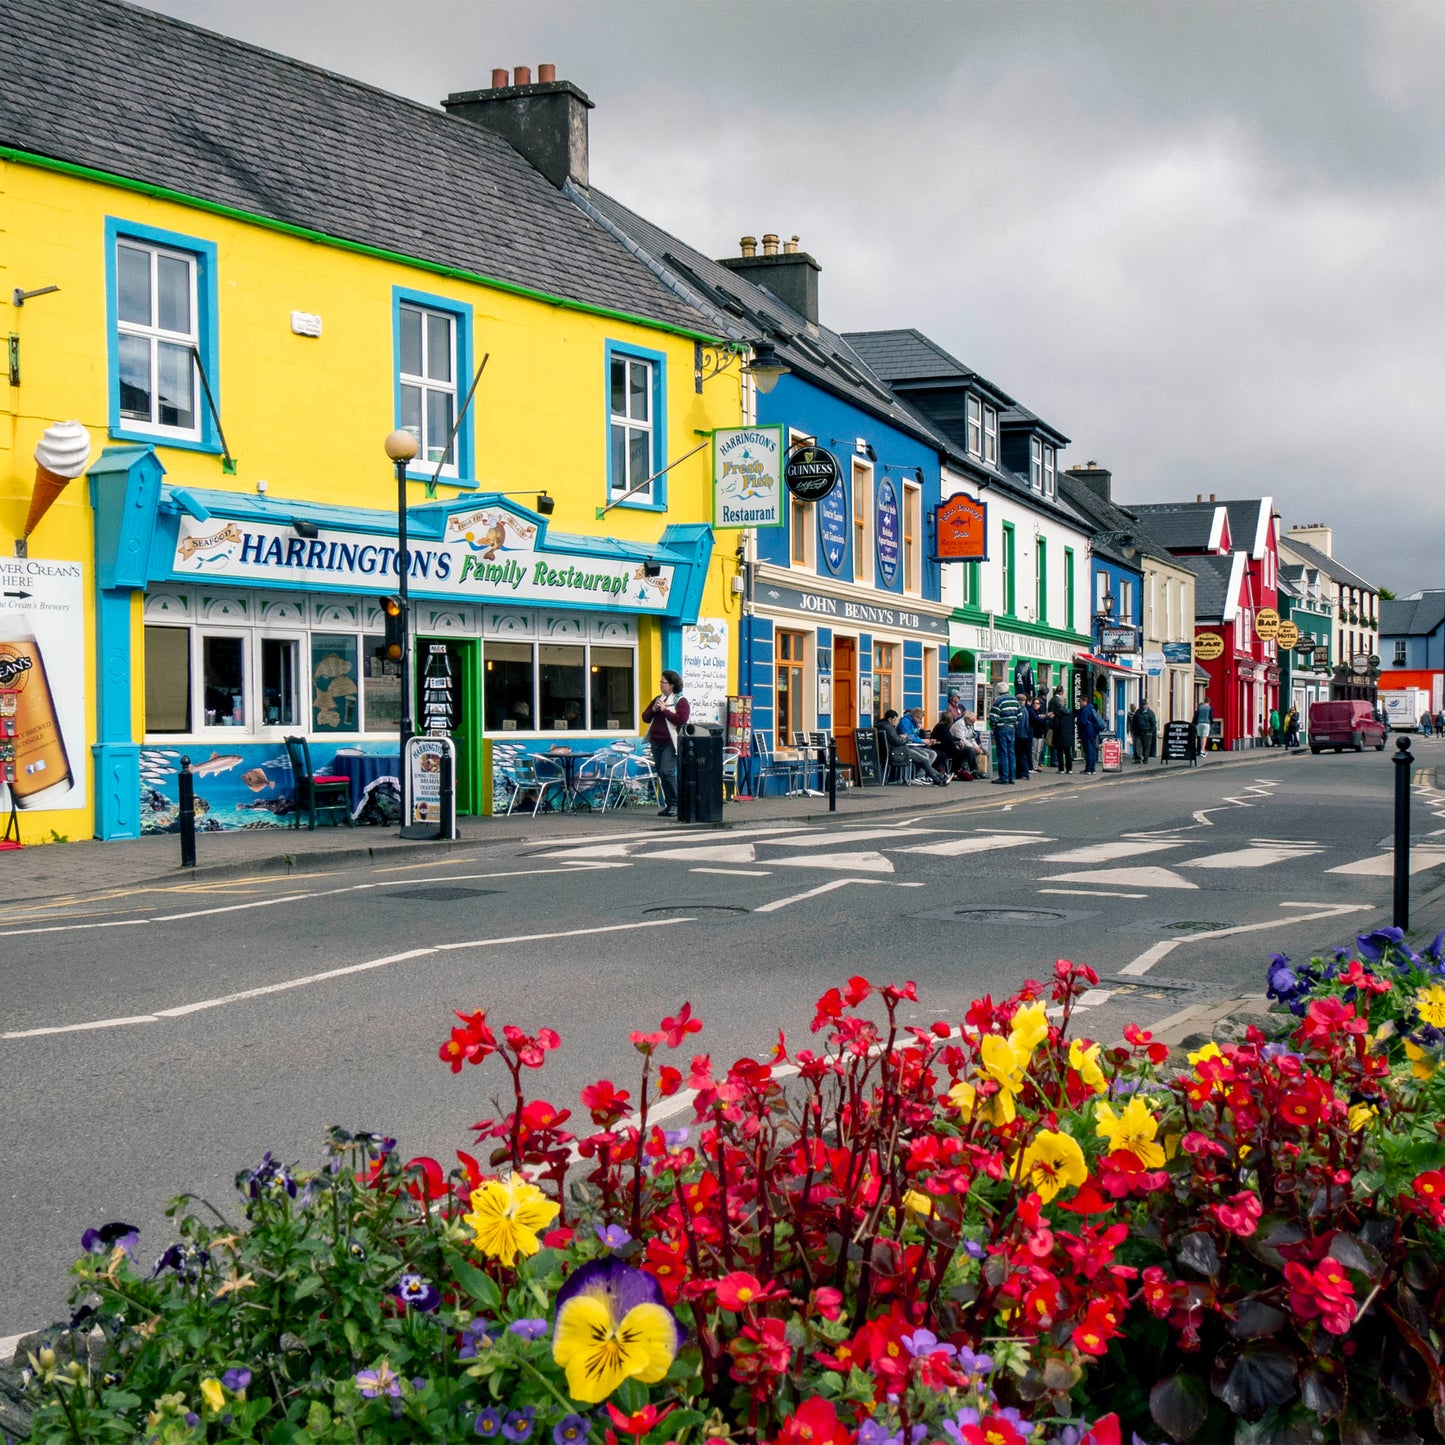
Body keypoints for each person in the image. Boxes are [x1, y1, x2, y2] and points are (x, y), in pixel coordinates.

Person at [641, 670, 689, 817]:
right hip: (656, 741)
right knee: (661, 773)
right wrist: (654, 710)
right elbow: (645, 717)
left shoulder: (680, 701)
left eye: (663, 682)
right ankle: (670, 804)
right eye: (661, 682)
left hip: (671, 742)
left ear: (672, 685)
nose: (661, 685)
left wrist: (665, 710)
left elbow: (681, 720)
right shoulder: (658, 699)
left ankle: (678, 803)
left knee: (667, 771)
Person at [880, 709, 950, 786]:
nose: (895, 722)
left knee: (929, 755)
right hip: (900, 751)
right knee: (924, 758)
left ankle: (939, 777)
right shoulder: (889, 727)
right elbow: (898, 741)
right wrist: (904, 738)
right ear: (890, 719)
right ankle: (936, 778)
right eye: (894, 720)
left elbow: (903, 738)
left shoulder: (886, 727)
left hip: (901, 749)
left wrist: (904, 738)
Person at [988, 685, 1024, 784]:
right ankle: (1012, 777)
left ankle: (1004, 777)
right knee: (1011, 753)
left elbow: (993, 716)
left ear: (998, 690)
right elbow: (1020, 715)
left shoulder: (998, 701)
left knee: (1003, 753)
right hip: (1012, 728)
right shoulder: (1015, 700)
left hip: (1001, 728)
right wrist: (1014, 724)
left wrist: (993, 726)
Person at [1076, 695, 1104, 775]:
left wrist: (1077, 722)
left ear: (1084, 701)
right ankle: (1092, 769)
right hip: (1093, 732)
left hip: (1086, 732)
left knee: (1088, 751)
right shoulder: (1091, 708)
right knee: (1091, 750)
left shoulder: (1085, 709)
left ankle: (1088, 769)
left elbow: (1083, 722)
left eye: (1080, 701)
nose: (1080, 703)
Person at [1052, 698, 1076, 773]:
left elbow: (1056, 725)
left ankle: (1061, 769)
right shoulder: (1070, 713)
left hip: (1060, 735)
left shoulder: (1058, 714)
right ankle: (1069, 769)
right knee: (1068, 753)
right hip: (1068, 736)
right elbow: (1072, 725)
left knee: (1060, 753)